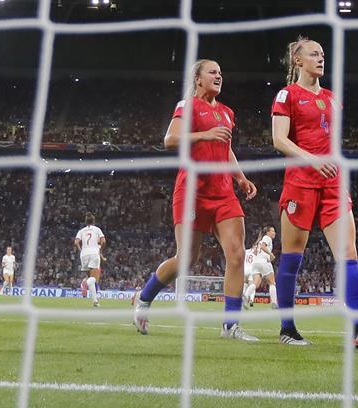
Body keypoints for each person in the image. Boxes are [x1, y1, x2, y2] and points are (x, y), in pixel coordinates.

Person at [271, 37, 358, 348]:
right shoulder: (287, 95)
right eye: (313, 54)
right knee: (292, 258)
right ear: (297, 61)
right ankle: (287, 328)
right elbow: (279, 140)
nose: (320, 58)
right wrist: (314, 161)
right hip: (301, 182)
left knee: (348, 253)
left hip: (333, 184)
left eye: (322, 54)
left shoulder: (331, 98)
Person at [133, 59, 259, 341]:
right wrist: (205, 134)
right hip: (192, 191)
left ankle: (230, 325)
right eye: (213, 71)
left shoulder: (227, 113)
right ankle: (144, 298)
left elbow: (225, 150)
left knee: (237, 255)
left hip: (223, 192)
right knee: (187, 259)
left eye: (221, 72)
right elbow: (170, 139)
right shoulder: (187, 105)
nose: (219, 76)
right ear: (198, 79)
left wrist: (240, 178)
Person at [74, 213, 105, 307]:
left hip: (84, 254)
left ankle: (95, 301)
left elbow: (76, 242)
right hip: (94, 253)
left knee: (91, 277)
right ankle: (85, 282)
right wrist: (100, 250)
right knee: (94, 279)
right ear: (94, 221)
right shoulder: (97, 230)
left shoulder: (81, 231)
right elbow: (103, 241)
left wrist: (81, 250)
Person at [243, 226, 278, 308]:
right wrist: (271, 254)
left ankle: (246, 295)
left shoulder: (259, 241)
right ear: (267, 232)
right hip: (263, 262)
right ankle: (274, 303)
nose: (274, 233)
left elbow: (256, 251)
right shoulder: (267, 238)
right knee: (272, 283)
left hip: (255, 263)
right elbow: (263, 246)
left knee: (255, 284)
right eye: (272, 231)